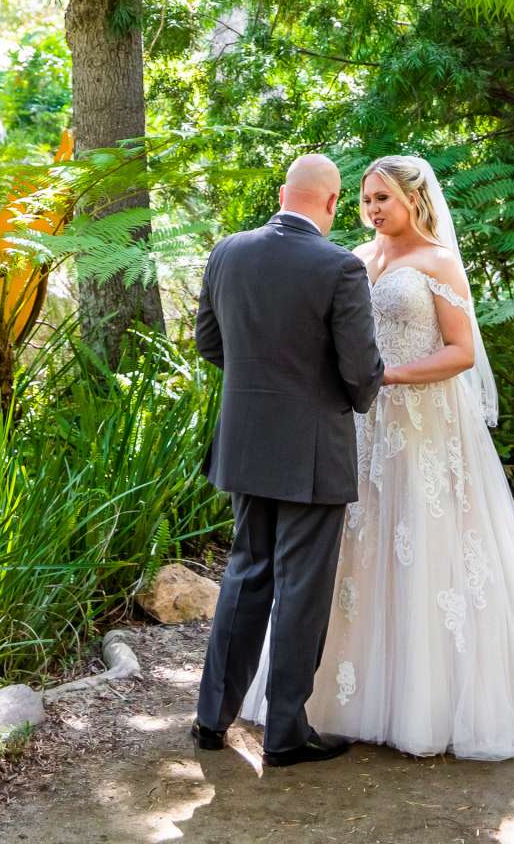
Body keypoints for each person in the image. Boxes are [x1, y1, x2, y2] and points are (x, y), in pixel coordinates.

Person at [241, 154, 514, 759]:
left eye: (383, 198)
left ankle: (426, 698)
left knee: (423, 545)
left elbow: (461, 351)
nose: (373, 209)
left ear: (414, 199)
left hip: (424, 426)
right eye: (365, 199)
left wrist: (394, 377)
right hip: (359, 428)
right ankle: (335, 697)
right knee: (355, 552)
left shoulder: (438, 262)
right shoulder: (352, 260)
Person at [192, 151, 385, 766]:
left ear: (283, 193)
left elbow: (208, 343)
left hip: (246, 443)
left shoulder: (227, 251)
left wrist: (262, 385)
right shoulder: (339, 267)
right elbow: (360, 373)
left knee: (246, 573)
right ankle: (284, 732)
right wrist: (347, 393)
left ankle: (210, 720)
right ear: (332, 203)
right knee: (301, 588)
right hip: (311, 452)